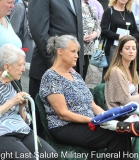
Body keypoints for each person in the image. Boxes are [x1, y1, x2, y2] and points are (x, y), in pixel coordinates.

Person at [39, 35, 132, 160]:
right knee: (117, 135)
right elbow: (63, 114)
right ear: (59, 51)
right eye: (73, 51)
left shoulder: (75, 74)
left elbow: (92, 105)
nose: (77, 55)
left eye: (77, 52)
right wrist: (93, 120)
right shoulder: (51, 77)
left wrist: (107, 117)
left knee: (120, 129)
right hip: (64, 127)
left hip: (87, 122)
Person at [0, 44, 57, 160]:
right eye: (20, 65)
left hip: (21, 130)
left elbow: (26, 121)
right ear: (7, 67)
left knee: (50, 155)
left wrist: (21, 109)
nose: (24, 69)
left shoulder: (15, 84)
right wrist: (11, 102)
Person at [28, 0, 84, 136]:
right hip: (47, 69)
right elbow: (39, 33)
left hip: (72, 69)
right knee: (41, 131)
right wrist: (58, 66)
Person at [104, 35, 139, 110]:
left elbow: (134, 95)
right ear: (120, 51)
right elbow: (125, 100)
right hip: (117, 112)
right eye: (127, 48)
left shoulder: (133, 70)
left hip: (130, 109)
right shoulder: (116, 71)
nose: (131, 51)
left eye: (134, 48)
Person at [101, 0, 139, 81]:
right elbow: (103, 30)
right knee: (111, 73)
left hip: (127, 48)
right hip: (113, 48)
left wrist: (130, 38)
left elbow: (136, 31)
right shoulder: (109, 11)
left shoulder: (129, 13)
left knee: (125, 73)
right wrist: (119, 37)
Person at [82, 1, 101, 80]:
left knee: (83, 75)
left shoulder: (88, 7)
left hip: (88, 49)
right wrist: (81, 37)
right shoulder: (73, 6)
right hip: (75, 47)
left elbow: (98, 26)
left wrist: (95, 34)